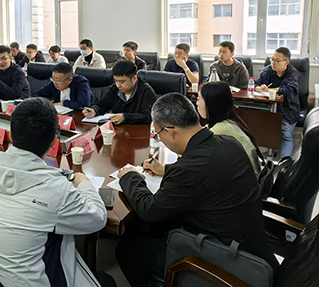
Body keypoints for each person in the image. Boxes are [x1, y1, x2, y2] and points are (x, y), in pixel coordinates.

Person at [115, 93, 277, 286]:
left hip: (229, 261)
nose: (160, 139)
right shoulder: (228, 143)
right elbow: (208, 174)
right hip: (251, 245)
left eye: (158, 134)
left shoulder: (188, 170)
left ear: (170, 131)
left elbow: (150, 210)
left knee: (128, 249)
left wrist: (130, 177)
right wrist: (167, 170)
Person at [0, 98, 112, 287]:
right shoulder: (55, 189)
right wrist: (83, 182)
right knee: (107, 281)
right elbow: (97, 219)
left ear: (11, 135)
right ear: (54, 142)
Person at [197, 82, 260, 174]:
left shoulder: (221, 129)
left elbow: (195, 152)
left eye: (199, 99)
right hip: (247, 176)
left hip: (245, 179)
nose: (197, 104)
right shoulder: (230, 121)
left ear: (211, 104)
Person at [255, 47, 300, 158]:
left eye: (277, 60)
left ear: (286, 62)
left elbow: (287, 90)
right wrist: (259, 88)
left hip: (288, 110)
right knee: (254, 127)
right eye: (272, 59)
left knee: (286, 135)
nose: (273, 63)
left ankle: (284, 163)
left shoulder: (293, 74)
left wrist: (269, 90)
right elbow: (255, 84)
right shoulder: (268, 70)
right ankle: (261, 158)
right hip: (267, 108)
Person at [83, 60, 156, 125]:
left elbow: (149, 116)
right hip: (118, 130)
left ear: (134, 79)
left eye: (122, 82)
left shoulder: (146, 91)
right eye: (116, 81)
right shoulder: (114, 89)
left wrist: (125, 117)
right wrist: (94, 110)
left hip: (138, 131)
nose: (118, 85)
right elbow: (103, 104)